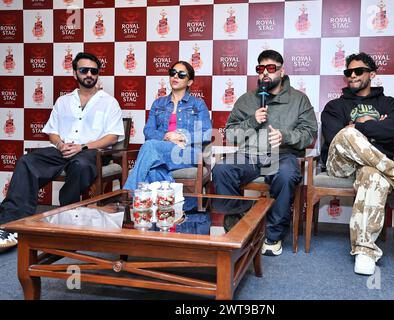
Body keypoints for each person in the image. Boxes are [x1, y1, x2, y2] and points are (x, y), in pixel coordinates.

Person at [321, 52, 394, 276]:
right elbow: (335, 135)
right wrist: (370, 127)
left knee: (373, 175)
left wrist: (358, 126)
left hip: (374, 165)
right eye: (348, 72)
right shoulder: (334, 106)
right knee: (346, 134)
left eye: (359, 71)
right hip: (340, 164)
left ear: (372, 74)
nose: (352, 75)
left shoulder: (390, 105)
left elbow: (391, 130)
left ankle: (365, 251)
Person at [0, 52, 124, 251]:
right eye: (84, 70)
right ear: (75, 73)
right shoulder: (63, 102)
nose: (89, 74)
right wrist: (60, 145)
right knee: (27, 161)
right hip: (61, 150)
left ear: (98, 74)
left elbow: (113, 136)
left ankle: (65, 216)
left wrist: (82, 147)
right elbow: (53, 132)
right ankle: (12, 225)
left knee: (81, 164)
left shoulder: (109, 103)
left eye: (94, 71)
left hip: (90, 151)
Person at [213, 49, 318, 256]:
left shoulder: (299, 99)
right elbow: (231, 133)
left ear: (282, 71)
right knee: (221, 169)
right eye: (261, 69)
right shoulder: (246, 100)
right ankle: (240, 224)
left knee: (286, 175)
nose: (265, 73)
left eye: (271, 68)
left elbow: (309, 133)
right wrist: (253, 121)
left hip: (282, 154)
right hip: (249, 154)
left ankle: (272, 235)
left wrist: (285, 136)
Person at [123, 61, 211, 191]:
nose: (175, 76)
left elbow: (206, 133)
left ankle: (128, 195)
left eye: (181, 75)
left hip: (187, 152)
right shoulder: (158, 103)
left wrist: (181, 136)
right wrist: (166, 137)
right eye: (173, 73)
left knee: (150, 146)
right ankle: (174, 205)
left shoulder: (197, 104)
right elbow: (148, 131)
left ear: (189, 82)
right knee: (154, 170)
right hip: (162, 150)